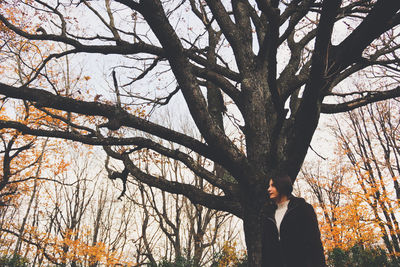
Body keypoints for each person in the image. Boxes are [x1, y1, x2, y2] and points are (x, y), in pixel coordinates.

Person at [262, 174, 326, 267]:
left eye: (273, 186)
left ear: (282, 186)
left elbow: (314, 242)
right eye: (269, 186)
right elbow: (265, 250)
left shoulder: (303, 209)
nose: (269, 189)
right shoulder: (268, 215)